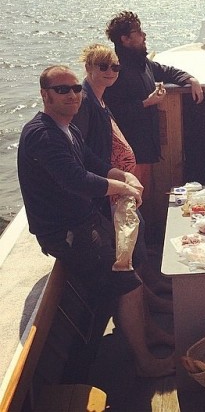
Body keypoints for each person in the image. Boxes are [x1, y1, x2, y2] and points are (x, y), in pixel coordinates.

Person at [17, 65, 174, 377]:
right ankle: (145, 363)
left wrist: (122, 174)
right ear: (45, 95)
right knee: (126, 281)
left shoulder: (68, 127)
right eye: (62, 89)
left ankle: (150, 331)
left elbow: (94, 164)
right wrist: (123, 187)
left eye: (76, 88)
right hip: (66, 233)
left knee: (132, 263)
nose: (73, 94)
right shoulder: (42, 135)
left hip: (86, 221)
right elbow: (77, 180)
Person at [72, 44, 173, 317]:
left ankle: (148, 298)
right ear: (89, 68)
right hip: (107, 195)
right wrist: (112, 173)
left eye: (114, 67)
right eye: (102, 67)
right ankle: (144, 313)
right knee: (130, 252)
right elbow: (81, 150)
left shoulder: (101, 98)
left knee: (137, 240)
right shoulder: (85, 102)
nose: (110, 72)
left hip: (120, 190)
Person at [103, 11, 204, 223]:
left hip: (145, 149)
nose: (144, 34)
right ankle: (131, 250)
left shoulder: (142, 63)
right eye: (138, 31)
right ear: (125, 39)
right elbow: (113, 111)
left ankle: (143, 244)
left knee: (141, 197)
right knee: (129, 202)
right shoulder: (115, 68)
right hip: (129, 153)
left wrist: (190, 79)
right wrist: (147, 103)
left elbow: (166, 71)